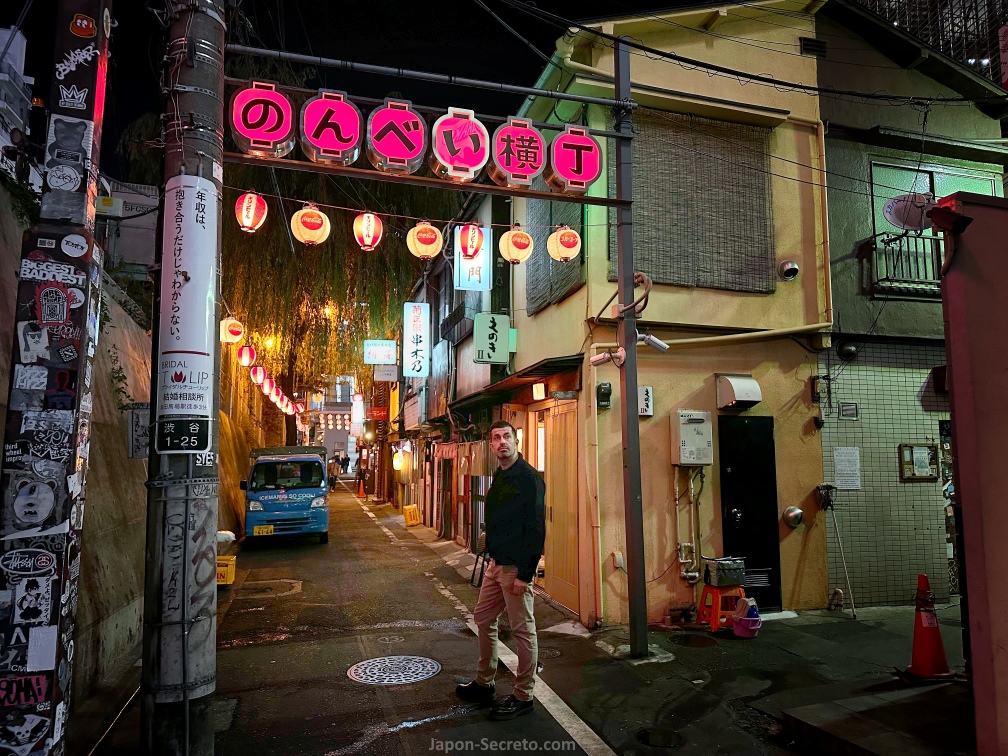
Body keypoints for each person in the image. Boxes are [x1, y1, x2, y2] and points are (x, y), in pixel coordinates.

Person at [456, 420, 545, 720]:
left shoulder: (529, 478)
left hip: (515, 567)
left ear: (517, 441)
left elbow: (535, 529)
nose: (502, 442)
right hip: (496, 564)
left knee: (523, 630)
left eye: (507, 436)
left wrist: (525, 574)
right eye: (496, 438)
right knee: (482, 618)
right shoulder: (500, 474)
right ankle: (485, 681)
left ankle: (524, 694)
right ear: (492, 446)